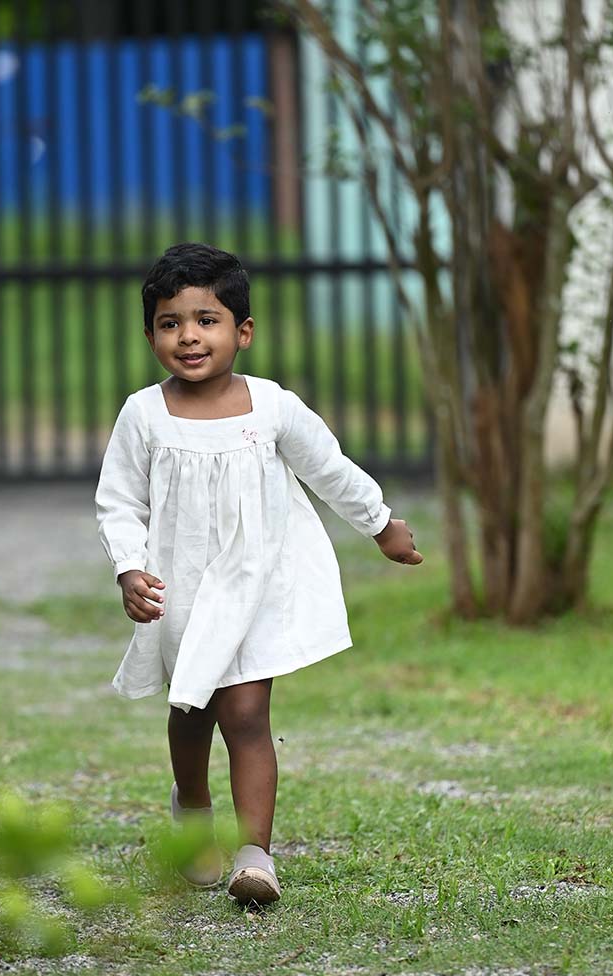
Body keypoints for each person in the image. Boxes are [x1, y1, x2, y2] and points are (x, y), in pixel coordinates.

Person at [95, 243, 422, 905]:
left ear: (242, 331)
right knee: (191, 710)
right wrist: (129, 568)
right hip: (182, 587)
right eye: (169, 323)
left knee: (246, 713)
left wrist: (380, 523)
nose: (189, 336)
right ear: (151, 336)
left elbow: (329, 467)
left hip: (257, 582)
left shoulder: (273, 407)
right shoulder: (144, 415)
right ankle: (193, 815)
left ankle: (255, 856)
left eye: (206, 320)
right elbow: (120, 500)